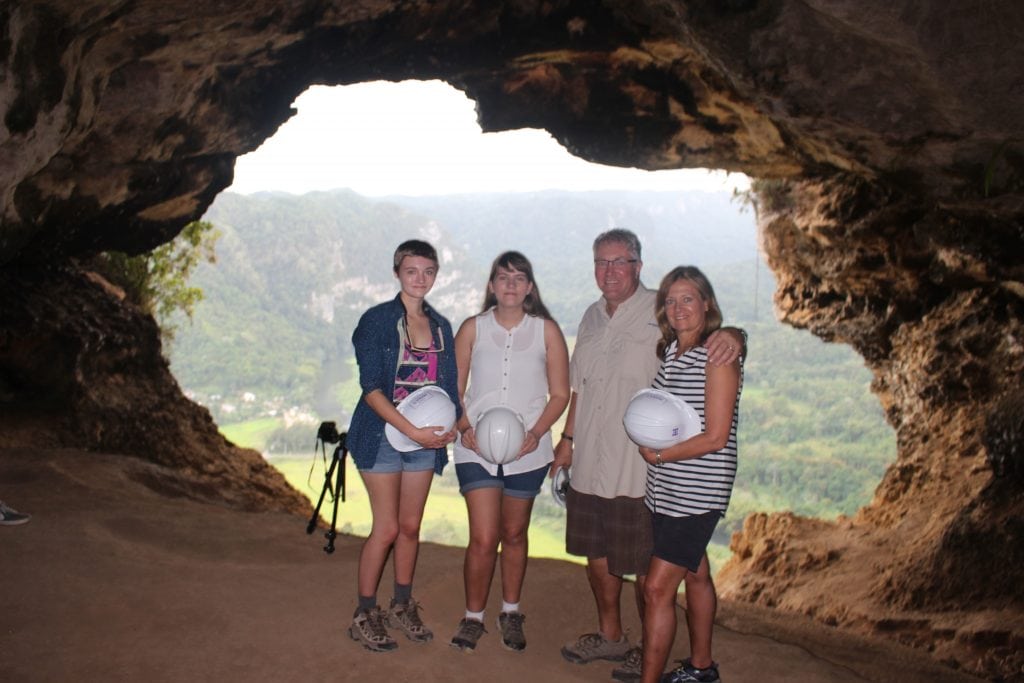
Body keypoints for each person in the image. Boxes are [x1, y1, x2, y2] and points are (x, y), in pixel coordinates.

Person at [553, 229, 744, 682]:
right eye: (602, 262)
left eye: (620, 261)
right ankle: (618, 638)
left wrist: (737, 334)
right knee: (601, 558)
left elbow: (717, 343)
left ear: (639, 265)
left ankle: (650, 654)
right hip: (599, 464)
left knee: (647, 572)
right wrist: (567, 439)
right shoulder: (594, 317)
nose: (610, 271)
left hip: (644, 471)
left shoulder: (660, 310)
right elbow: (581, 385)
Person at [449, 251, 570, 653]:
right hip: (476, 448)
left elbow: (560, 394)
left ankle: (511, 611)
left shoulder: (546, 331)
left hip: (528, 450)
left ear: (530, 287)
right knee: (484, 537)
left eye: (520, 278)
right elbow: (454, 387)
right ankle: (473, 617)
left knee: (515, 533)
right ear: (491, 286)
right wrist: (464, 427)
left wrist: (536, 434)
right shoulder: (472, 329)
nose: (511, 285)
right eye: (503, 277)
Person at [346, 239, 461, 653]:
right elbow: (372, 389)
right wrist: (412, 432)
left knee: (411, 527)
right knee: (388, 527)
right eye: (412, 270)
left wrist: (450, 426)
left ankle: (400, 604)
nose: (420, 279)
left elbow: (448, 389)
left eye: (428, 271)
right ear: (397, 272)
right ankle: (364, 611)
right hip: (383, 434)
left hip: (424, 440)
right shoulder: (377, 321)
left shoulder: (442, 326)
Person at [638, 266, 743, 683]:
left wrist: (660, 454)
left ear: (707, 304)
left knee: (656, 589)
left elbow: (717, 437)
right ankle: (702, 668)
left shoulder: (717, 355)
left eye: (688, 298)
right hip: (667, 489)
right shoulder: (672, 353)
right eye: (670, 300)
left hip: (696, 493)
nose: (679, 308)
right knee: (696, 572)